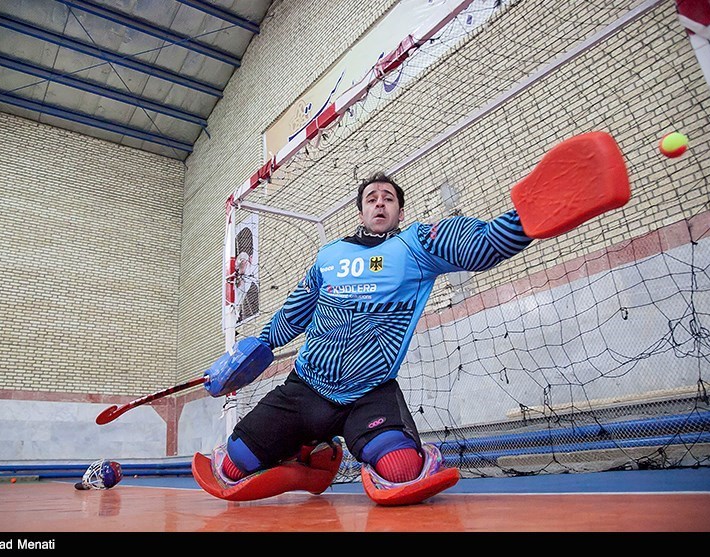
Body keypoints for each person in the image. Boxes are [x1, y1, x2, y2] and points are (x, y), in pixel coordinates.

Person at [195, 171, 533, 505]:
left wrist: (529, 215)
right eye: (372, 199)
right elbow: (296, 311)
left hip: (369, 394)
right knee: (232, 465)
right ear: (361, 212)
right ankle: (308, 461)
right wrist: (256, 348)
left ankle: (357, 451)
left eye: (389, 198)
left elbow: (481, 245)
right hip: (305, 389)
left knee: (401, 471)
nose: (380, 203)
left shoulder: (416, 245)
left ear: (400, 212)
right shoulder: (329, 255)